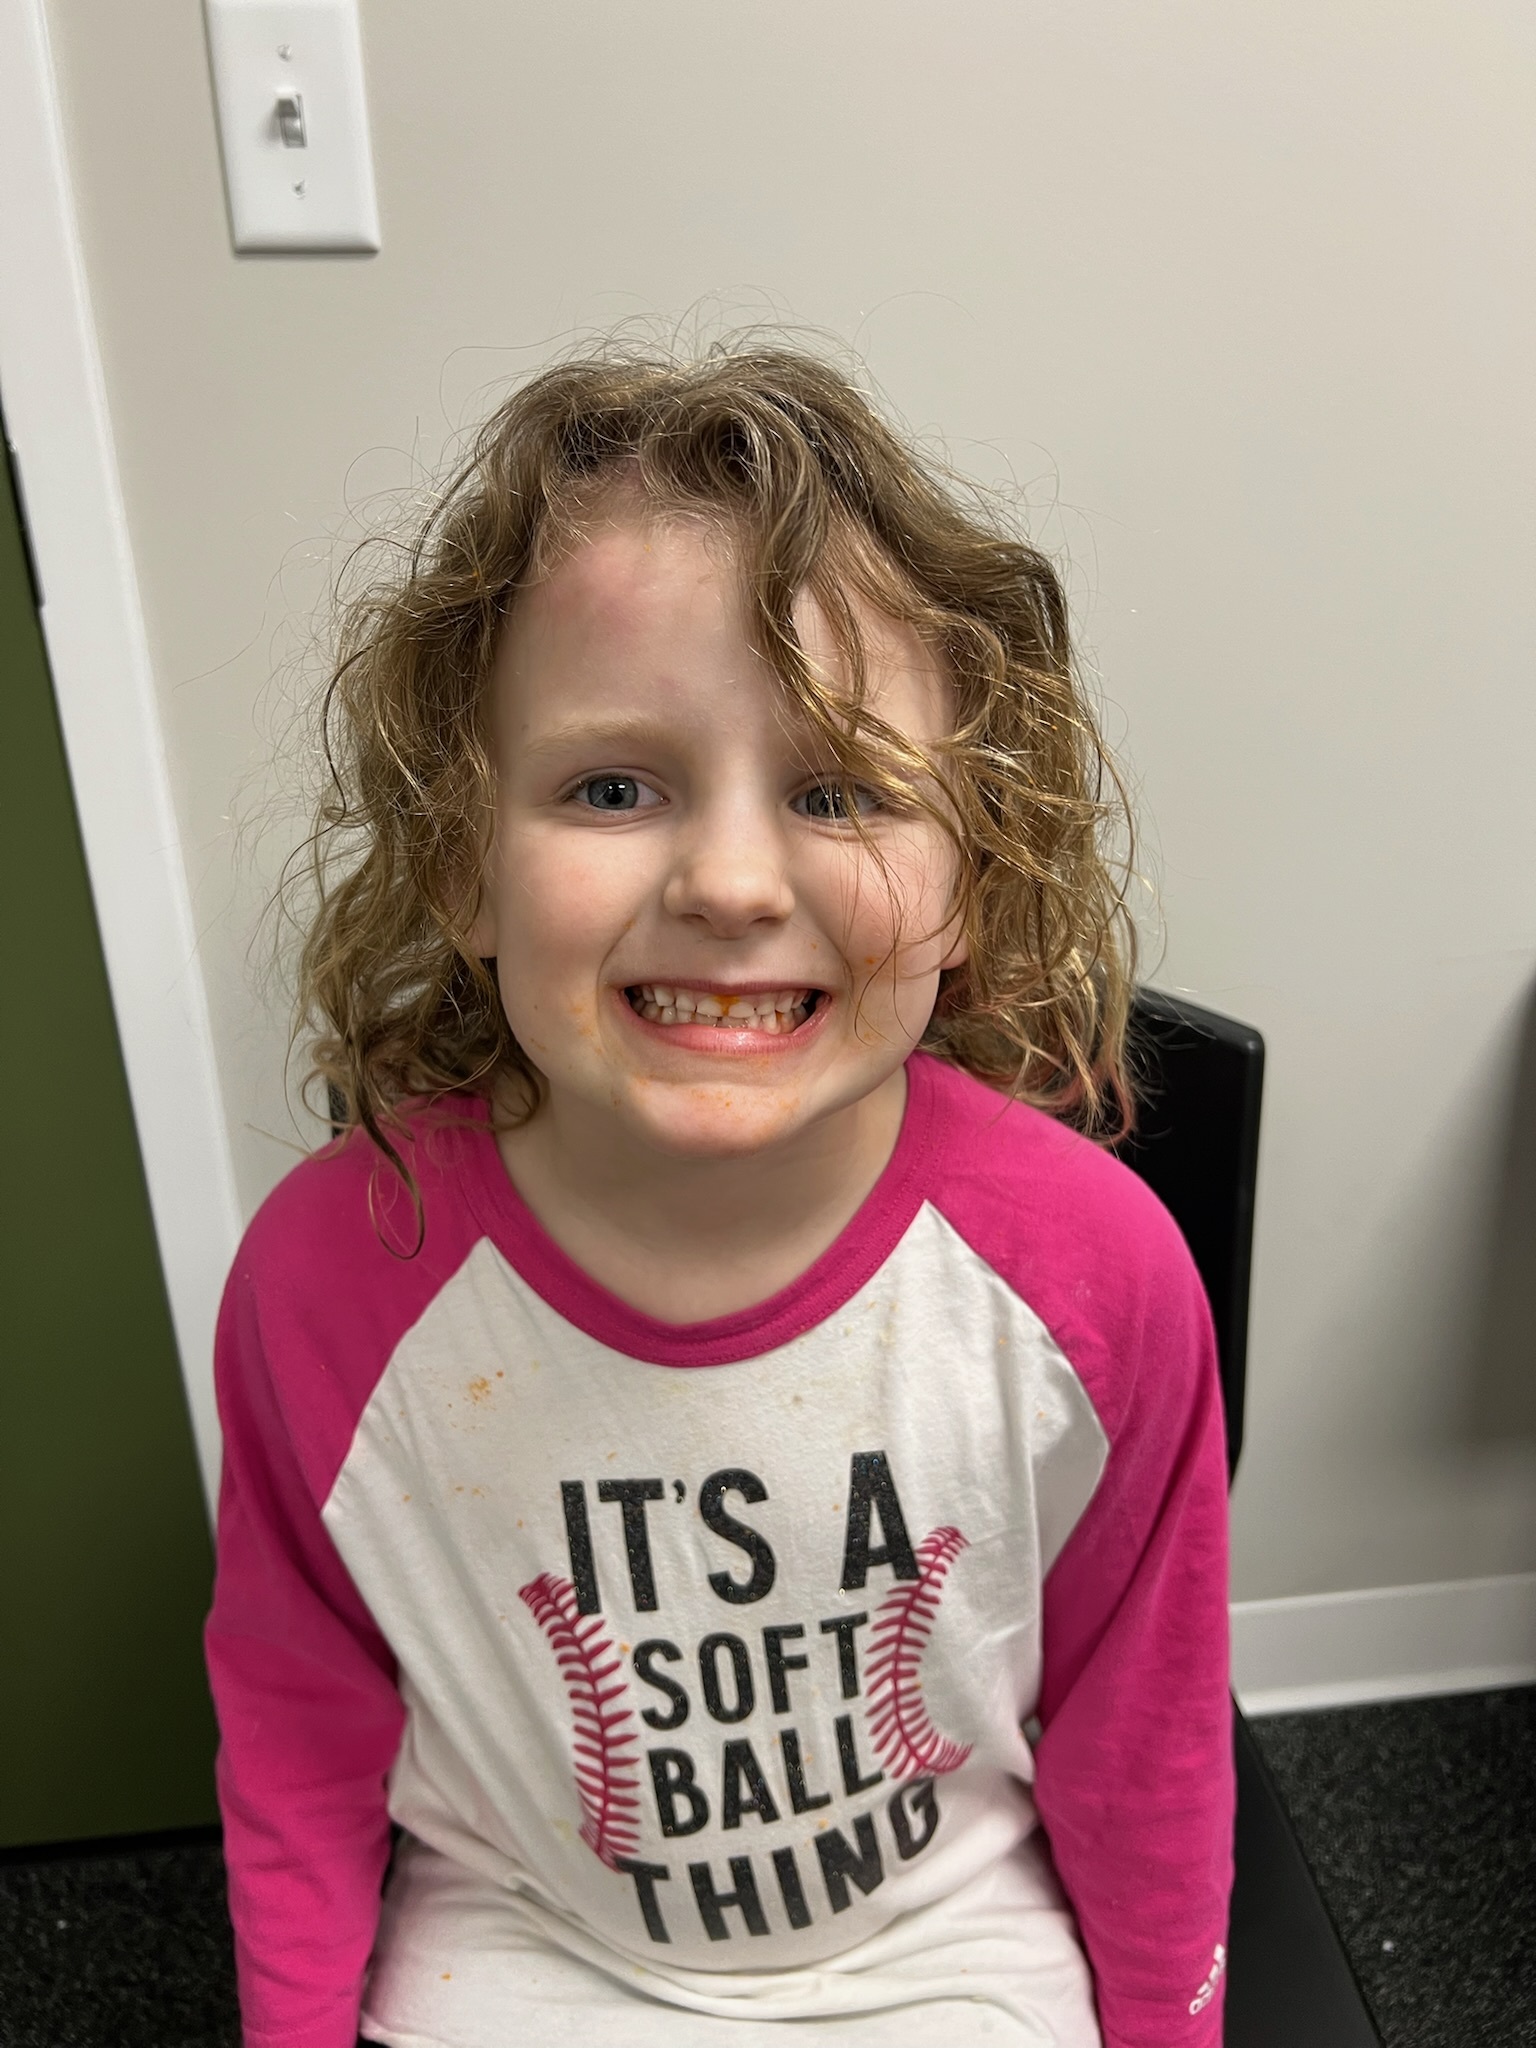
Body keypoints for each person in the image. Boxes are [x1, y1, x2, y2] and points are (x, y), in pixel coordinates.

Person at [206, 347, 1233, 2048]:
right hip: (526, 1948)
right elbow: (296, 1731)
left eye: (840, 792)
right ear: (463, 863)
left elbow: (1150, 1737)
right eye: (612, 788)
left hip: (942, 1952)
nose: (735, 883)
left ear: (973, 872)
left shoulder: (1095, 1275)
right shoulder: (328, 1282)